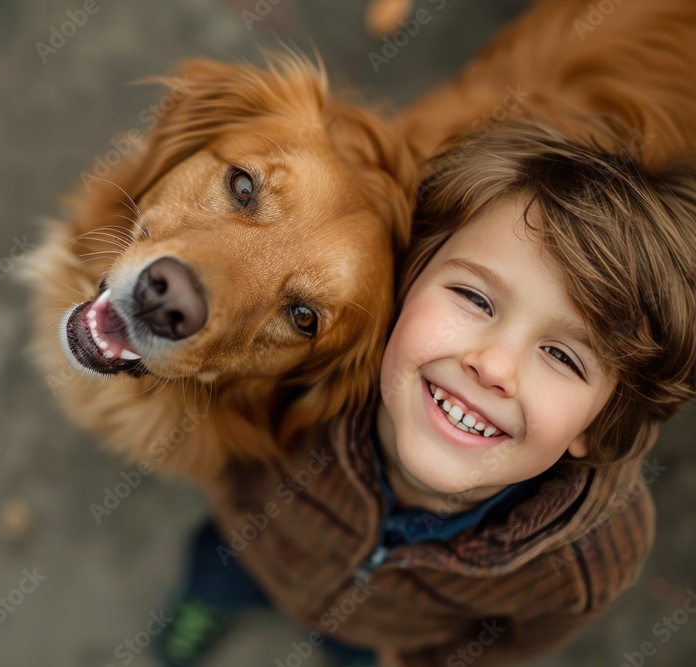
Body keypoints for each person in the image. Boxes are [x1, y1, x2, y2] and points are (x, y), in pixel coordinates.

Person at [153, 120, 696, 667]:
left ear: (599, 423)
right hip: (250, 547)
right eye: (475, 298)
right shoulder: (303, 371)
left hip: (378, 639)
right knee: (216, 577)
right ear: (405, 282)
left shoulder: (592, 560)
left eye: (562, 356)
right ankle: (205, 606)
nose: (494, 366)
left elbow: (515, 643)